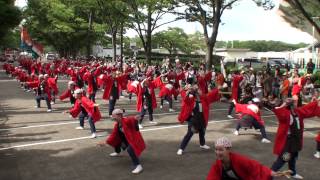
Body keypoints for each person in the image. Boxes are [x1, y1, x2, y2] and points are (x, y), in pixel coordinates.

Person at [271, 98, 320, 179]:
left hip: (295, 141)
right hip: (288, 142)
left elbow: (307, 108)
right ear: (290, 105)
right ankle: (268, 175)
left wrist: (316, 102)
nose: (296, 103)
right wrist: (284, 104)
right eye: (294, 103)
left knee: (293, 157)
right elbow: (279, 112)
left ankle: (292, 173)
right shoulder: (285, 114)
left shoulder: (298, 112)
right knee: (283, 159)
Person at [207, 137, 287, 180]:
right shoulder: (217, 165)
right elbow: (212, 177)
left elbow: (255, 166)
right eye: (216, 149)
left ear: (228, 150)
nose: (217, 152)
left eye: (221, 150)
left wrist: (271, 172)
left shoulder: (238, 159)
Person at [98, 109, 145, 174]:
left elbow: (131, 119)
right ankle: (118, 152)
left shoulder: (126, 120)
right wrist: (106, 142)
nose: (113, 118)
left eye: (114, 116)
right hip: (126, 140)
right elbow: (113, 135)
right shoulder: (117, 125)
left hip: (134, 140)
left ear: (119, 115)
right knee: (116, 141)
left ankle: (138, 166)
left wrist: (135, 119)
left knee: (130, 150)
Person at [177, 85, 220, 155]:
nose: (199, 90)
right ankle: (181, 148)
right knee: (189, 134)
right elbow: (185, 99)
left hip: (202, 118)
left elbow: (210, 95)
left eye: (198, 89)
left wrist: (217, 89)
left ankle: (202, 144)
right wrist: (188, 91)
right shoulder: (191, 99)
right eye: (197, 89)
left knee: (202, 132)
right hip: (194, 119)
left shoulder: (203, 98)